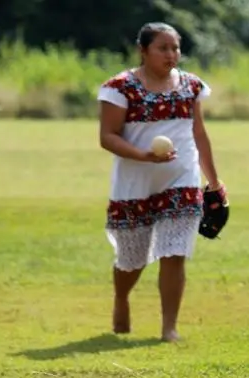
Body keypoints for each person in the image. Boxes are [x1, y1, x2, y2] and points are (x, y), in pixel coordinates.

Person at [96, 22, 226, 342]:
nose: (171, 54)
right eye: (163, 48)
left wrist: (214, 181)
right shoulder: (119, 87)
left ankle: (169, 328)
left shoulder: (191, 86)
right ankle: (121, 299)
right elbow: (107, 137)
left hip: (181, 180)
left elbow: (199, 135)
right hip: (134, 184)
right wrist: (143, 156)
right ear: (143, 51)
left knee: (175, 251)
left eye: (175, 48)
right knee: (132, 259)